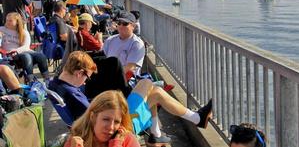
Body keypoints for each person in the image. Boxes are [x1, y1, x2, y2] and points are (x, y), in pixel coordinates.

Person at [49, 51, 213, 146]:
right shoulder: (72, 94)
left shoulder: (56, 84)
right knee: (150, 86)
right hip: (117, 126)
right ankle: (195, 118)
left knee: (153, 91)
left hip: (106, 121)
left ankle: (157, 133)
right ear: (78, 73)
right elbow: (93, 118)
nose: (86, 81)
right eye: (86, 77)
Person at [64, 90, 140, 147]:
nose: (111, 127)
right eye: (106, 119)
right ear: (92, 117)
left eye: (117, 122)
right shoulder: (76, 141)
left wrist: (116, 144)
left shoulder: (127, 140)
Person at [0, 12, 50, 83]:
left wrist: (16, 50)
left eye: (10, 21)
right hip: (9, 54)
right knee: (26, 56)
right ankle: (31, 81)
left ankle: (47, 79)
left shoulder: (23, 32)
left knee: (40, 56)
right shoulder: (1, 29)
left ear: (17, 22)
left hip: (20, 51)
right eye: (7, 20)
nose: (7, 22)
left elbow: (26, 46)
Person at [103, 11, 145, 76]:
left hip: (126, 80)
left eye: (125, 24)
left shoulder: (137, 44)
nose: (121, 26)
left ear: (133, 26)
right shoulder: (110, 40)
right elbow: (103, 58)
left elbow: (130, 68)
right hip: (108, 76)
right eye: (119, 23)